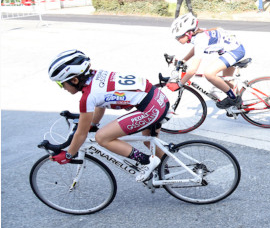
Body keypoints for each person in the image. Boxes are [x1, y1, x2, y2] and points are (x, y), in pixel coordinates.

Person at [47, 50, 169, 182]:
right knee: (147, 140)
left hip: (150, 107)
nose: (62, 88)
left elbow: (81, 134)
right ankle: (164, 170)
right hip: (158, 98)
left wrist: (68, 155)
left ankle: (147, 162)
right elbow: (101, 102)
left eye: (61, 84)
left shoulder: (87, 97)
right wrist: (93, 124)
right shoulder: (96, 75)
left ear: (74, 80)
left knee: (102, 137)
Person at [168, 13, 246, 109]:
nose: (177, 39)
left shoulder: (200, 39)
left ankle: (234, 99)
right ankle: (240, 106)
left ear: (188, 33)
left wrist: (180, 84)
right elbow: (196, 49)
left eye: (178, 36)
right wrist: (184, 60)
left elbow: (193, 70)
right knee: (228, 81)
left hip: (235, 51)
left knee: (209, 73)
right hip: (232, 49)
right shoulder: (198, 34)